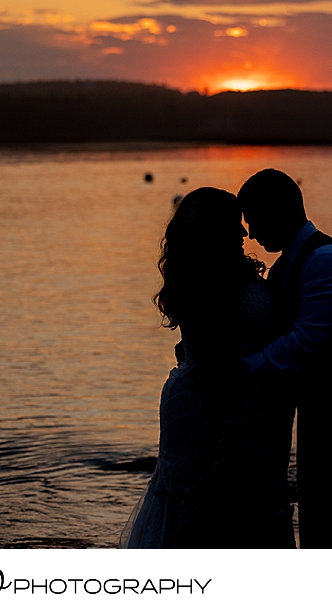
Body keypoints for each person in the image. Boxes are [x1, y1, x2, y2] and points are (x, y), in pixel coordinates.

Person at [120, 187, 296, 548]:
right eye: (235, 225)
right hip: (210, 406)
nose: (244, 234)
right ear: (213, 231)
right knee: (209, 505)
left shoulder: (234, 271)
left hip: (244, 403)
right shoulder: (200, 284)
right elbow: (215, 365)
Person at [238, 169, 332, 548]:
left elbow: (305, 343)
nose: (252, 233)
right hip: (320, 406)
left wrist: (239, 370)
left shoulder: (327, 261)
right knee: (321, 516)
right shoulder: (289, 264)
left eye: (254, 220)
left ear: (278, 211)